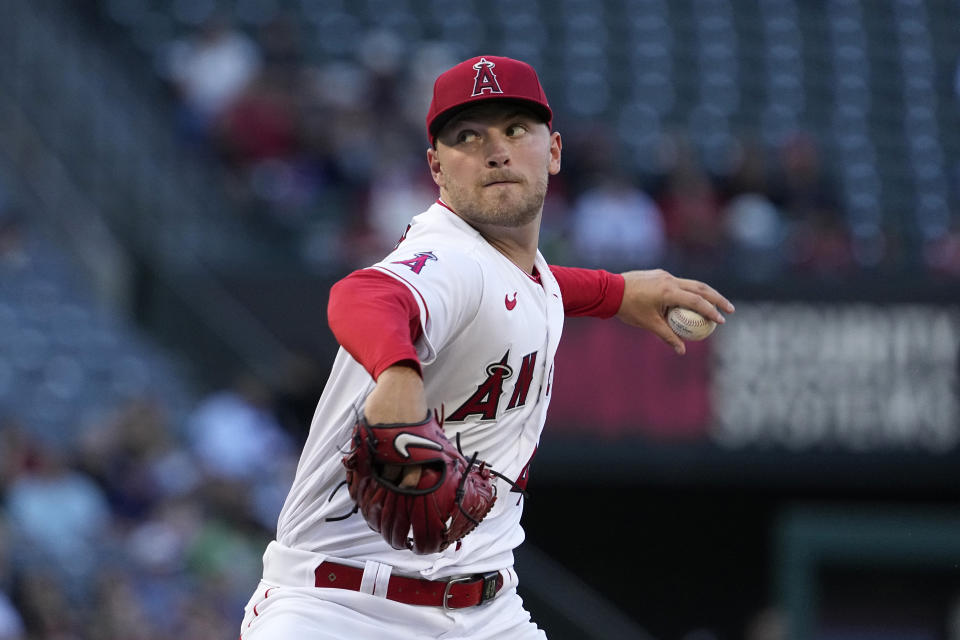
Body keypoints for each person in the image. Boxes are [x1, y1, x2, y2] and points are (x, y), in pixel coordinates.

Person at [239, 55, 734, 640]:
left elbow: (530, 289)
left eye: (514, 130)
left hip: (487, 613)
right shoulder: (449, 256)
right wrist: (398, 374)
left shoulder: (517, 270)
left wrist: (616, 291)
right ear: (437, 169)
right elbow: (365, 293)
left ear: (553, 150)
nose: (495, 151)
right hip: (339, 608)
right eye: (467, 137)